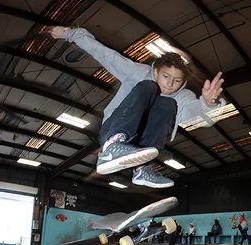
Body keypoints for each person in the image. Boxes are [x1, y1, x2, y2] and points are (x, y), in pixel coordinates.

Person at [48, 26, 225, 189]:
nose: (170, 84)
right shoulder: (138, 73)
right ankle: (114, 145)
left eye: (177, 81)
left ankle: (142, 168)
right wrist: (69, 34)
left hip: (142, 144)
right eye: (165, 76)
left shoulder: (182, 97)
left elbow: (199, 116)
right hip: (114, 128)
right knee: (148, 86)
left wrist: (208, 104)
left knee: (168, 103)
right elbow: (106, 55)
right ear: (156, 71)